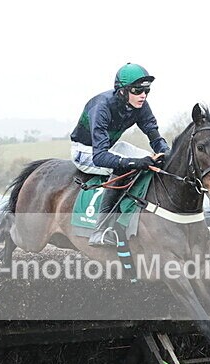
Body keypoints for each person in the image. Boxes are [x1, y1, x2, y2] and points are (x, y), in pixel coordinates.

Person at [70, 63, 170, 247]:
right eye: (137, 90)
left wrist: (166, 153)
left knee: (155, 161)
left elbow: (154, 136)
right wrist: (134, 162)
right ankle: (100, 230)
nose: (143, 95)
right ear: (123, 91)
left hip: (111, 147)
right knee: (127, 165)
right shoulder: (101, 107)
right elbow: (99, 157)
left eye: (146, 90)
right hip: (85, 151)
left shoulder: (141, 105)